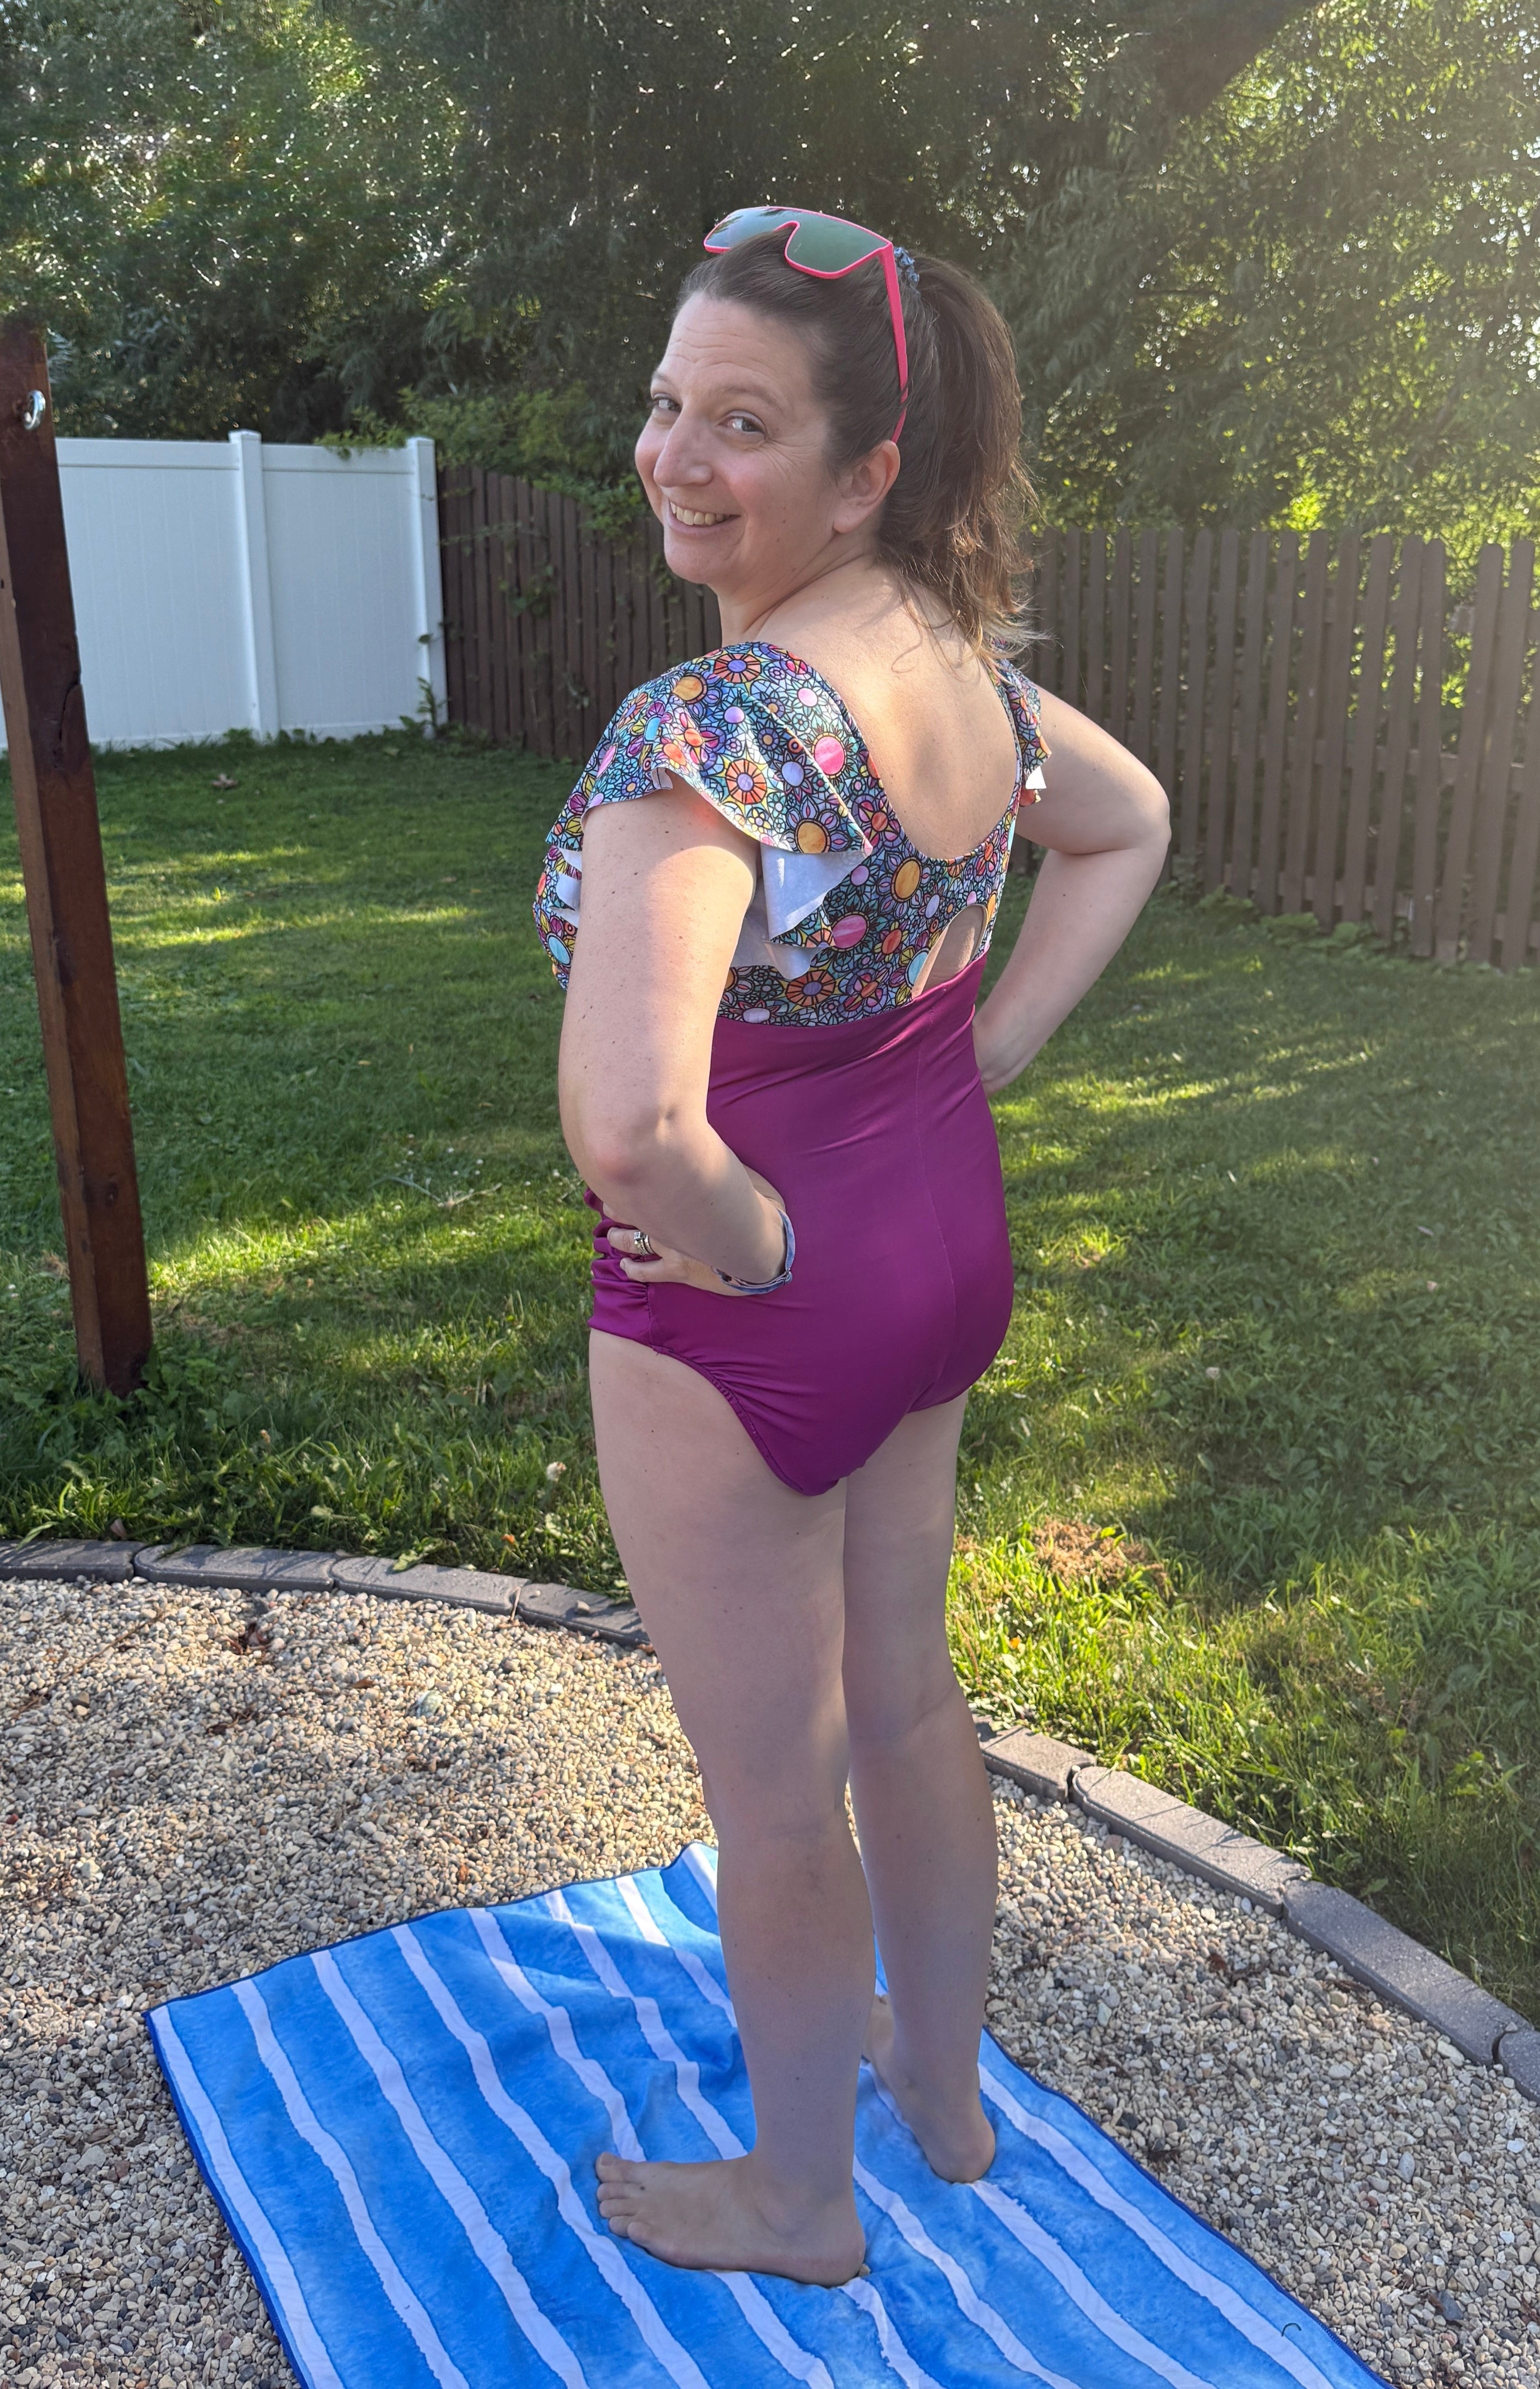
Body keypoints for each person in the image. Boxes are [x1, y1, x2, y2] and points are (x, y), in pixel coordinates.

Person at [531, 204, 1169, 2287]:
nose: (677, 456)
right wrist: (991, 1044)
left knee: (778, 1788)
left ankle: (803, 2196)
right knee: (904, 1695)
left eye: (743, 422)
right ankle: (949, 2084)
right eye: (665, 403)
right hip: (936, 1246)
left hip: (761, 1295)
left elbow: (631, 1121)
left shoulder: (703, 737)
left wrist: (728, 1231)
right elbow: (1128, 819)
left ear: (869, 464)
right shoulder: (966, 668)